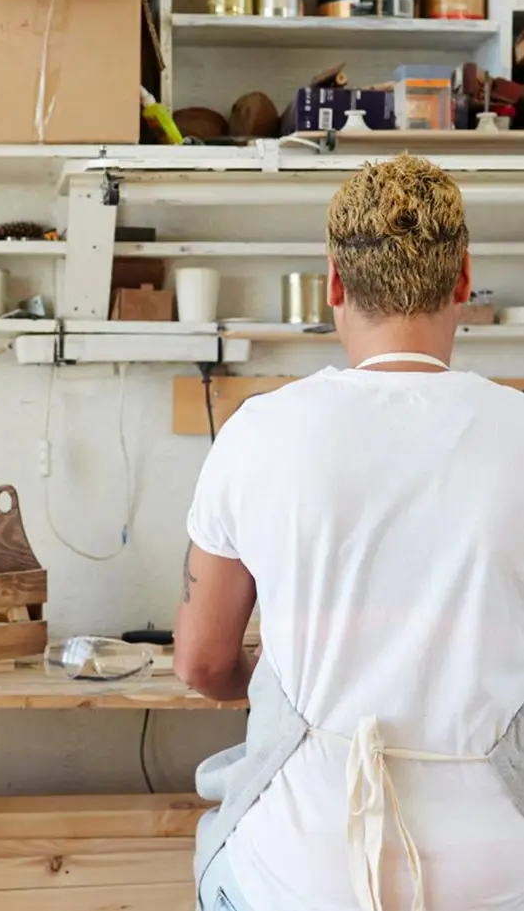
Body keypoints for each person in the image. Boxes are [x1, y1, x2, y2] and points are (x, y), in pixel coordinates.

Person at [174, 155, 524, 911]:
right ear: (462, 281)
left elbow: (201, 662)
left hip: (298, 874)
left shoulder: (258, 432)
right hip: (501, 873)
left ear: (334, 283)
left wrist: (276, 693)